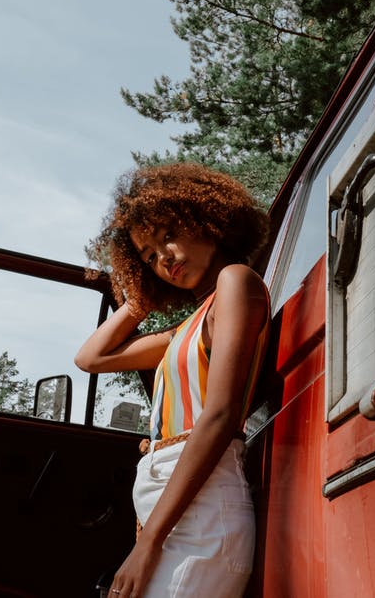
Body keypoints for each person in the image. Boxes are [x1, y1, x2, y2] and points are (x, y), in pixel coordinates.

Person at [76, 162, 271, 598]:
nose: (162, 257)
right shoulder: (185, 329)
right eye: (147, 256)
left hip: (201, 509)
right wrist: (141, 299)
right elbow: (91, 358)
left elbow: (219, 416)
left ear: (205, 219)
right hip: (176, 510)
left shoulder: (235, 283)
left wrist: (147, 545)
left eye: (167, 235)